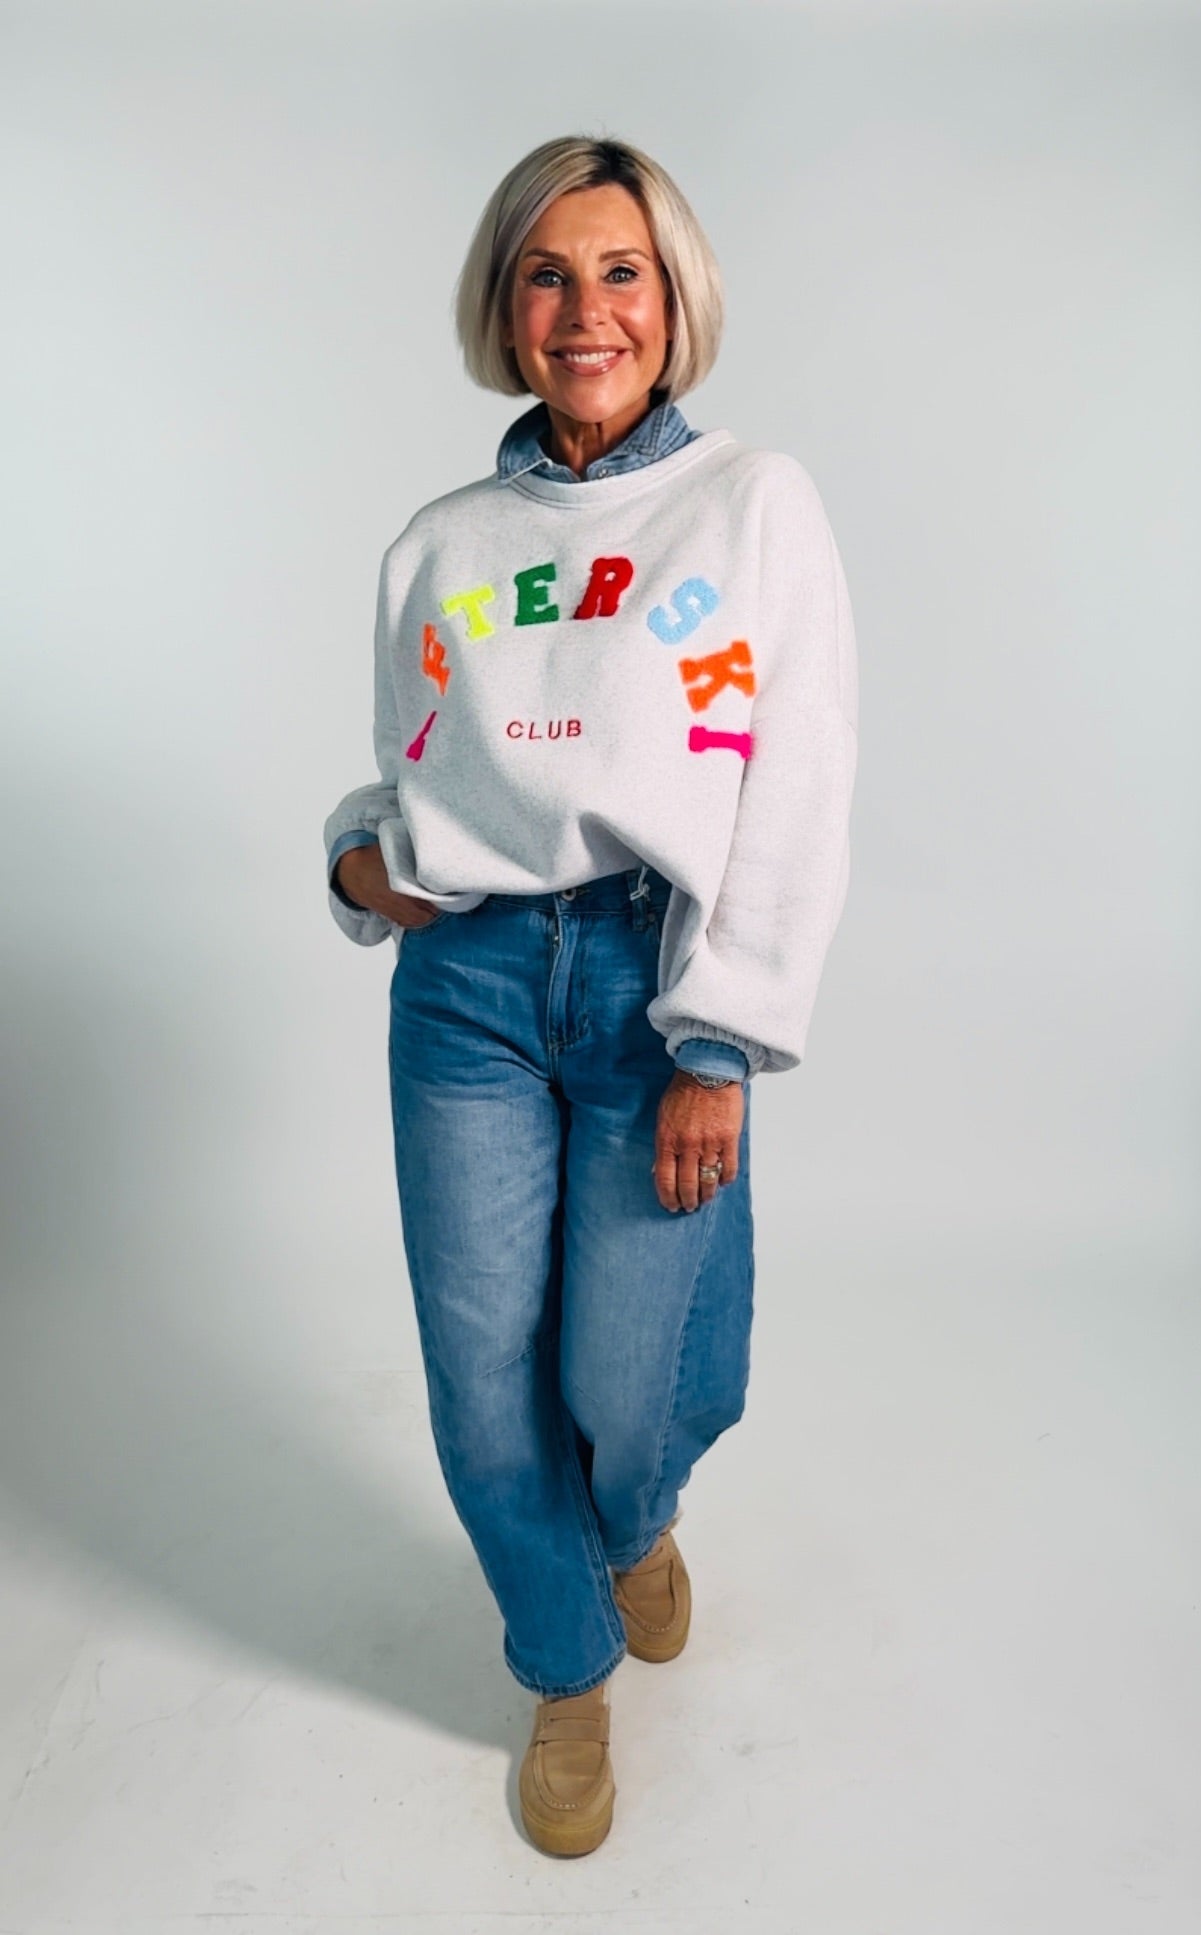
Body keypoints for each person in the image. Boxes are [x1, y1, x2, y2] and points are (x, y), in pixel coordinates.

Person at [322, 133, 859, 1857]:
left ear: (672, 297)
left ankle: (632, 1522)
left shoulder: (752, 503)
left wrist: (723, 1036)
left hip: (651, 979)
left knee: (628, 1380)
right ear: (505, 309)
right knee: (483, 1372)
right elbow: (410, 779)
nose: (584, 311)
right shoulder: (438, 544)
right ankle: (562, 1666)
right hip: (464, 990)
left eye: (619, 271)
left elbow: (794, 783)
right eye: (545, 275)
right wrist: (358, 866)